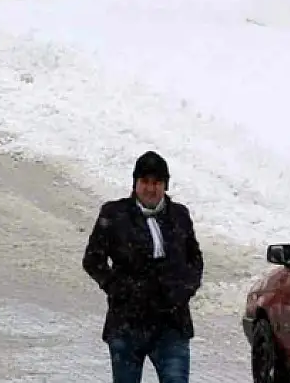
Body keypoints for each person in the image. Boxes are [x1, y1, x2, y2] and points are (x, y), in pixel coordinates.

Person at [82, 151, 204, 383]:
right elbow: (92, 260)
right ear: (135, 184)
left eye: (156, 182)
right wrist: (118, 289)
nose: (150, 189)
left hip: (171, 323)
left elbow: (195, 258)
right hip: (127, 324)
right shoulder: (114, 214)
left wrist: (184, 289)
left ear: (165, 185)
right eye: (144, 182)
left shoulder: (179, 216)